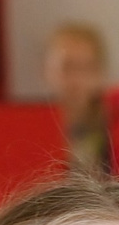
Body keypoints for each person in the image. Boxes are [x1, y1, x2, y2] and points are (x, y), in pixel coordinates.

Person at [45, 21, 109, 173]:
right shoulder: (31, 128)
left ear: (100, 72)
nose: (76, 79)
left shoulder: (116, 127)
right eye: (66, 66)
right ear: (47, 70)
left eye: (86, 68)